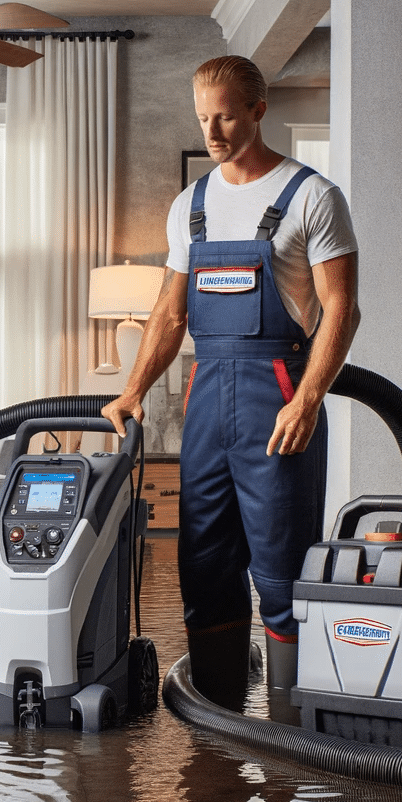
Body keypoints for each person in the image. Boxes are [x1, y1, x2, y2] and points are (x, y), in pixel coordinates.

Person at [103, 56, 360, 710]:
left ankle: (288, 721)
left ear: (257, 111)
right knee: (206, 563)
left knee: (280, 566)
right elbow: (169, 313)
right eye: (202, 117)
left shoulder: (311, 196)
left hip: (278, 396)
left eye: (223, 115)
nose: (212, 130)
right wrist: (133, 390)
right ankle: (218, 721)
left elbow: (341, 310)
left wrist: (308, 400)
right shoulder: (192, 205)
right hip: (208, 399)